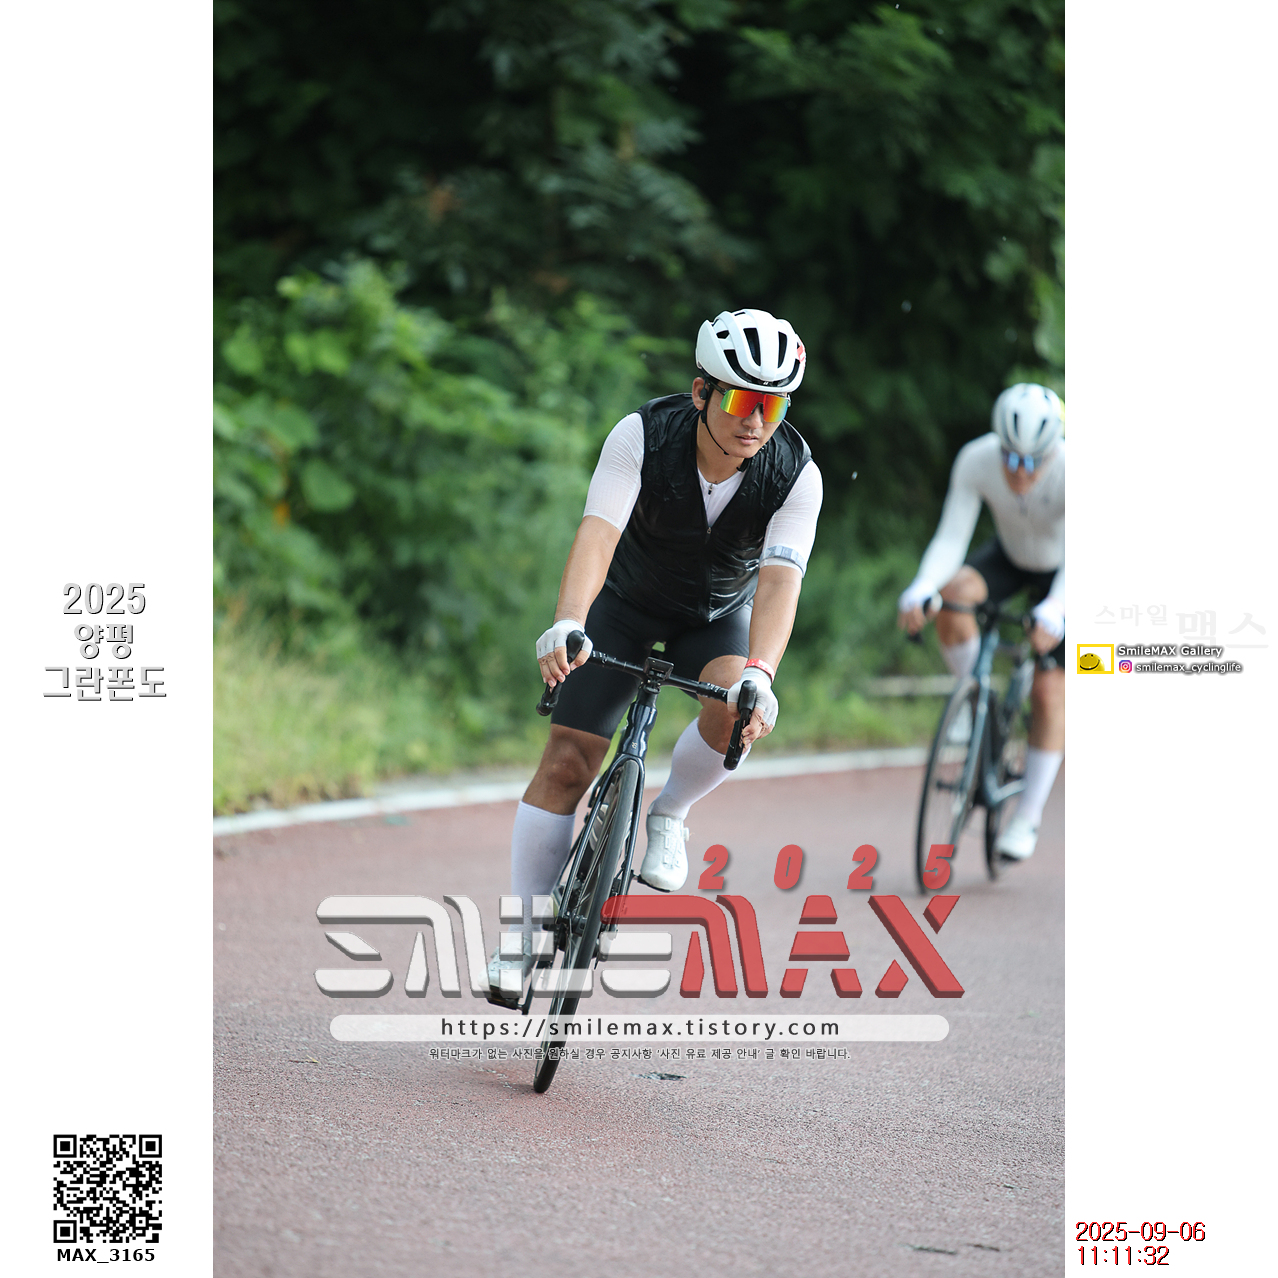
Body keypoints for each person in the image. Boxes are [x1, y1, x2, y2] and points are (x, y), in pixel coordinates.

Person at [488, 308, 823, 1004]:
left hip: (714, 618)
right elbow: (598, 532)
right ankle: (521, 935)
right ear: (702, 392)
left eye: (773, 406)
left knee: (736, 712)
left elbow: (779, 581)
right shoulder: (642, 434)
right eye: (741, 400)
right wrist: (569, 621)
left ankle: (668, 813)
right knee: (568, 762)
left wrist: (761, 674)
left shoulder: (796, 473)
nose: (755, 422)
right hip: (626, 605)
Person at [897, 383, 1065, 862]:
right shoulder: (977, 459)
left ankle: (1027, 816)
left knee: (1049, 691)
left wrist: (1056, 608)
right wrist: (923, 585)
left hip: (1064, 572)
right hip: (1010, 558)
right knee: (953, 594)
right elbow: (952, 539)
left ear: (1053, 451)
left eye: (1032, 462)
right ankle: (977, 703)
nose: (1020, 471)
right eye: (1011, 457)